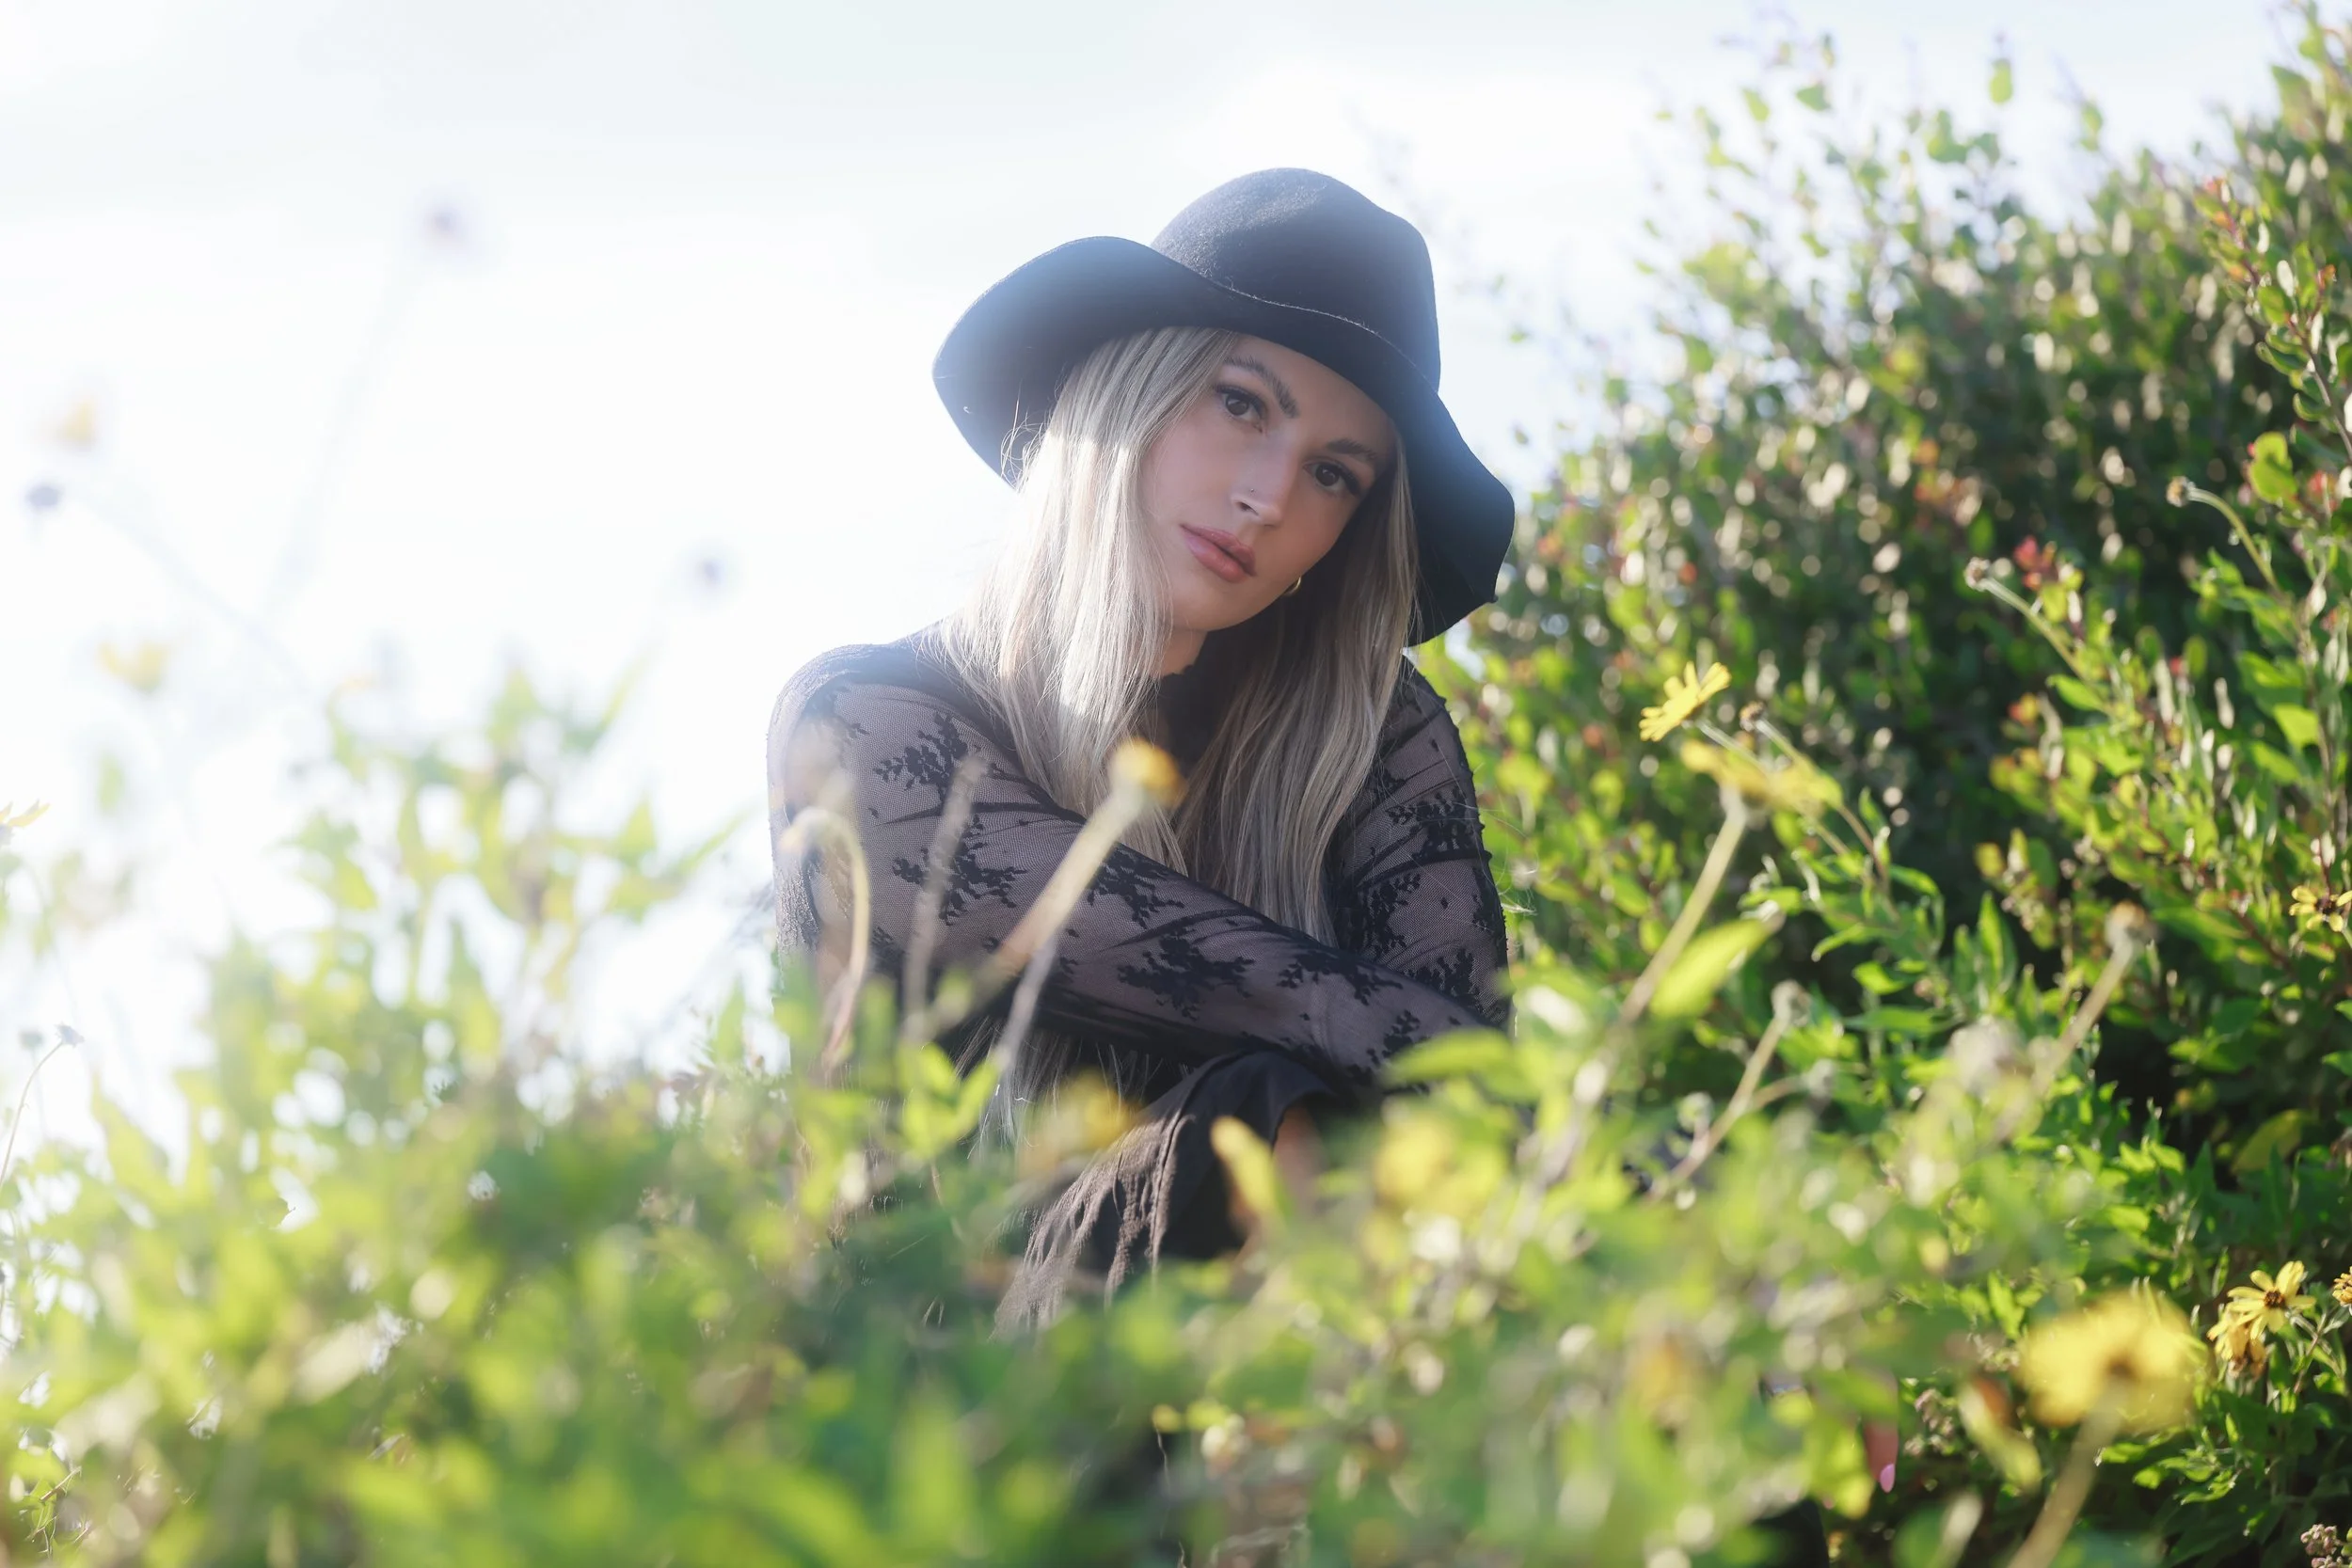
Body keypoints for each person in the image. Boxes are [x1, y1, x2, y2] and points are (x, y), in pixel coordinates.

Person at [766, 166, 1517, 1319]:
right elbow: (1299, 1006)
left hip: (1292, 1347)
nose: (1269, 495)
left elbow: (1464, 1078)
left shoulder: (1367, 734)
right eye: (1240, 403)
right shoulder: (870, 729)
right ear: (1129, 387)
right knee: (1258, 1116)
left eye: (1332, 472)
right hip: (939, 1409)